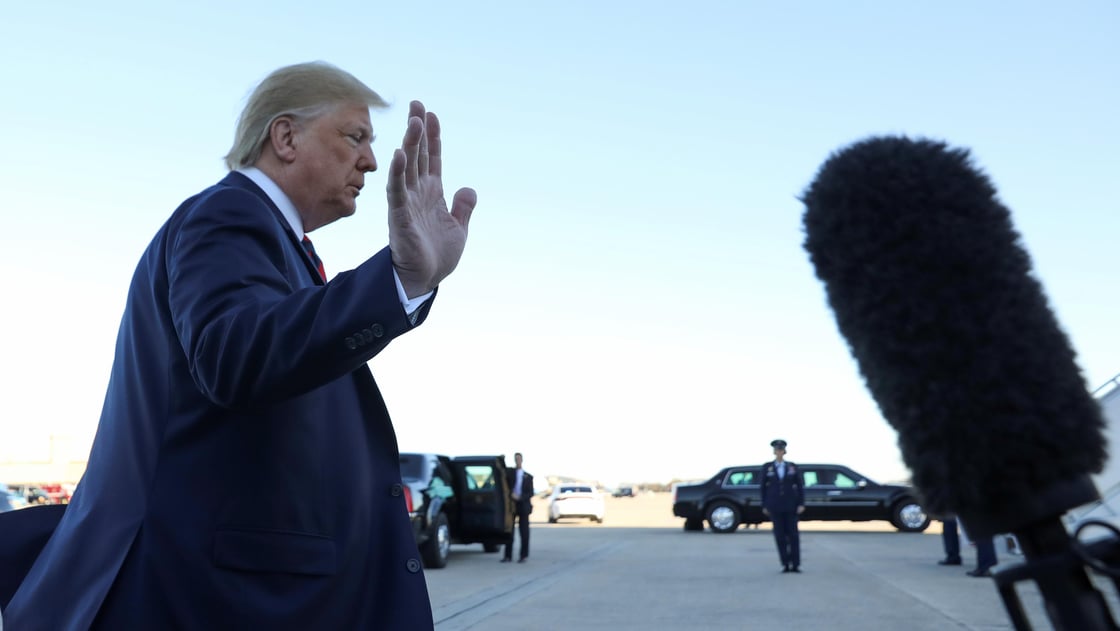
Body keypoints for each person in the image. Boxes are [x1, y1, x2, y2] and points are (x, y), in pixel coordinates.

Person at [0, 61, 476, 630]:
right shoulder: (228, 215)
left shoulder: (274, 241)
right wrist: (399, 278)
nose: (370, 160)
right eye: (355, 137)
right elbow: (236, 355)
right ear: (285, 136)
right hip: (214, 598)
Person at [760, 439, 805, 573]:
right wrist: (765, 505)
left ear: (784, 451)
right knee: (779, 535)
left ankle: (795, 564)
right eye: (777, 450)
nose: (779, 452)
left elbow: (800, 486)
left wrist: (801, 503)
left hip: (791, 505)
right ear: (774, 452)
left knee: (793, 535)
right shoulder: (767, 467)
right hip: (775, 506)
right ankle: (785, 563)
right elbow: (763, 488)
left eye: (781, 449)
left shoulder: (792, 467)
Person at [502, 452, 534, 563]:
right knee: (509, 531)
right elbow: (503, 475)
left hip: (523, 505)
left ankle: (523, 555)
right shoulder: (511, 473)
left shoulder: (528, 477)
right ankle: (507, 555)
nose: (518, 461)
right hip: (512, 505)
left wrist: (520, 497)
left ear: (522, 460)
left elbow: (530, 493)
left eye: (519, 459)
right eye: (516, 459)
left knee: (524, 532)